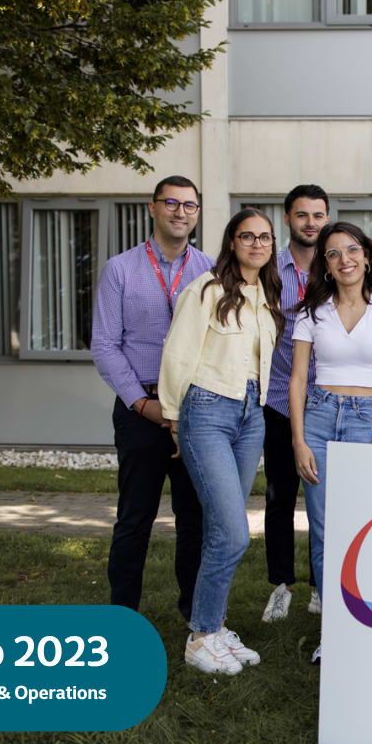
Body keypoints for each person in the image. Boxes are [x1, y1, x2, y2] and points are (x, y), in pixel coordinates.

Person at [159, 208, 283, 674]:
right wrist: (174, 420)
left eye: (265, 237)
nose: (257, 244)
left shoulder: (266, 295)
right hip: (208, 410)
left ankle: (215, 627)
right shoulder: (206, 289)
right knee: (233, 532)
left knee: (220, 530)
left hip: (252, 415)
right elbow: (177, 355)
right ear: (232, 242)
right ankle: (201, 637)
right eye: (247, 236)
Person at [91, 175, 213, 623]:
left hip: (195, 413)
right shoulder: (120, 269)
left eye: (189, 205)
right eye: (172, 203)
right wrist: (143, 405)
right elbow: (105, 345)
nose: (181, 212)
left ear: (197, 213)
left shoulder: (211, 271)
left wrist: (183, 411)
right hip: (140, 408)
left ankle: (195, 617)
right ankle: (122, 616)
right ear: (153, 207)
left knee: (194, 519)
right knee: (134, 518)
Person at [290, 222, 372, 664]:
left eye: (352, 249)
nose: (345, 259)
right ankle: (335, 633)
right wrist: (299, 440)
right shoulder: (311, 313)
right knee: (324, 529)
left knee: (362, 527)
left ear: (367, 255)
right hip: (319, 417)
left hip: (368, 419)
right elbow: (297, 379)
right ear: (325, 264)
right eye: (334, 253)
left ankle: (365, 623)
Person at [261, 185, 329, 623]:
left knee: (326, 498)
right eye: (302, 215)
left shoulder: (339, 264)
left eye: (318, 215)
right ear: (287, 219)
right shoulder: (268, 268)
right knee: (279, 495)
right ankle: (281, 585)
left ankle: (322, 584)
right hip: (278, 397)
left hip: (328, 399)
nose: (310, 223)